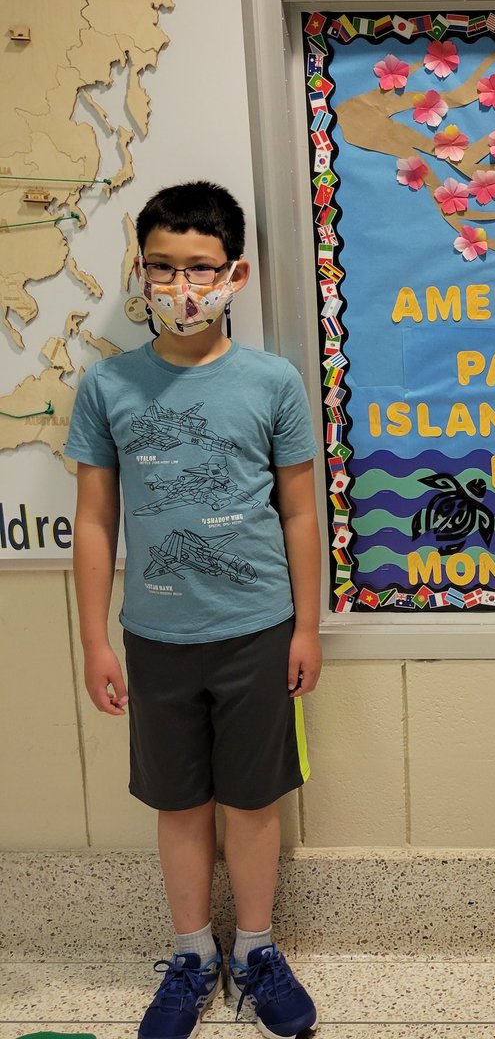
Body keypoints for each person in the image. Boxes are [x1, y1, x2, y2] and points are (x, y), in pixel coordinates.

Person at [66, 181, 322, 1039]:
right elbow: (97, 519)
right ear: (139, 273)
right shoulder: (108, 387)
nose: (183, 286)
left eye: (200, 268)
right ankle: (190, 956)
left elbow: (298, 510)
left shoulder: (272, 382)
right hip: (155, 638)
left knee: (252, 801)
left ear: (234, 274)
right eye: (164, 267)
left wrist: (309, 627)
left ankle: (255, 949)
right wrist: (95, 640)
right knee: (179, 803)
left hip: (257, 631)